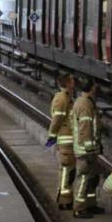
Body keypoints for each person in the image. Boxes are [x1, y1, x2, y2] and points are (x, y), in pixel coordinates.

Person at [70, 77, 105, 218]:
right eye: (95, 86)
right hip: (85, 151)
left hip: (88, 149)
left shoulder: (85, 102)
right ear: (91, 88)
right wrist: (90, 150)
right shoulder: (85, 105)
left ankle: (90, 204)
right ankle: (79, 208)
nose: (96, 89)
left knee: (92, 177)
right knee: (84, 178)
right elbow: (85, 130)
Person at [47, 73, 76, 210]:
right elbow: (57, 120)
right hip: (66, 141)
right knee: (66, 171)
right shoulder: (62, 99)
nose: (74, 82)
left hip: (69, 140)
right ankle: (64, 200)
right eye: (72, 81)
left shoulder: (67, 98)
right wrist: (52, 136)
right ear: (67, 83)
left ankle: (67, 198)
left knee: (69, 170)